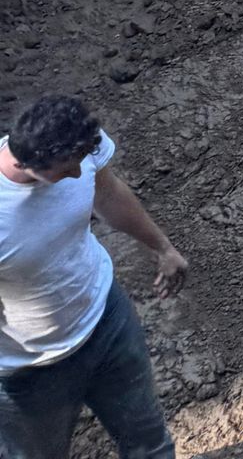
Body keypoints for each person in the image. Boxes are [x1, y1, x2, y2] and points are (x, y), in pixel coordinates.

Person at [0, 95, 186, 459]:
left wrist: (163, 248)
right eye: (65, 169)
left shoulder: (79, 145)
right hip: (29, 371)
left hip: (107, 324)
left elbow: (109, 194)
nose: (77, 173)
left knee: (150, 443)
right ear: (25, 163)